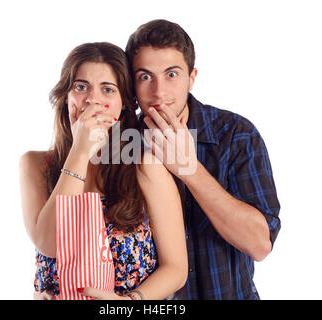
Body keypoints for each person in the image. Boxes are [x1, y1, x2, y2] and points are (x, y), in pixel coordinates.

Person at [125, 19, 281, 300]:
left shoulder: (236, 135)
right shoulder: (120, 145)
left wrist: (189, 168)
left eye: (171, 74)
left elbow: (260, 245)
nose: (159, 91)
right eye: (145, 76)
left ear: (192, 77)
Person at [18, 42, 187, 300]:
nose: (92, 99)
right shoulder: (35, 164)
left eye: (107, 89)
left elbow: (176, 269)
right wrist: (80, 153)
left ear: (121, 107)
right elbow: (51, 243)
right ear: (67, 97)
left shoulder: (144, 167)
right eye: (81, 86)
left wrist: (129, 302)